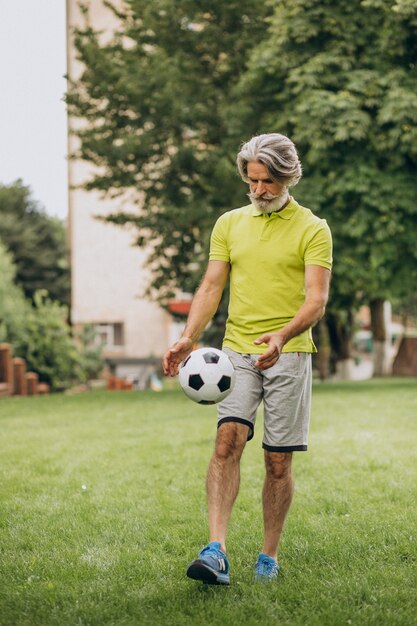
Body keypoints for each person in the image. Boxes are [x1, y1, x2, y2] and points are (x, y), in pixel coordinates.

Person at [163, 133, 332, 585]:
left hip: (289, 354)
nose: (258, 190)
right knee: (227, 441)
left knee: (278, 461)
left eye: (268, 182)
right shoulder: (230, 224)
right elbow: (212, 286)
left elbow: (316, 301)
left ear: (288, 176)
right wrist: (187, 337)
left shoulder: (314, 229)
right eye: (252, 181)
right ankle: (216, 550)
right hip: (236, 353)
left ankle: (268, 555)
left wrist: (282, 335)